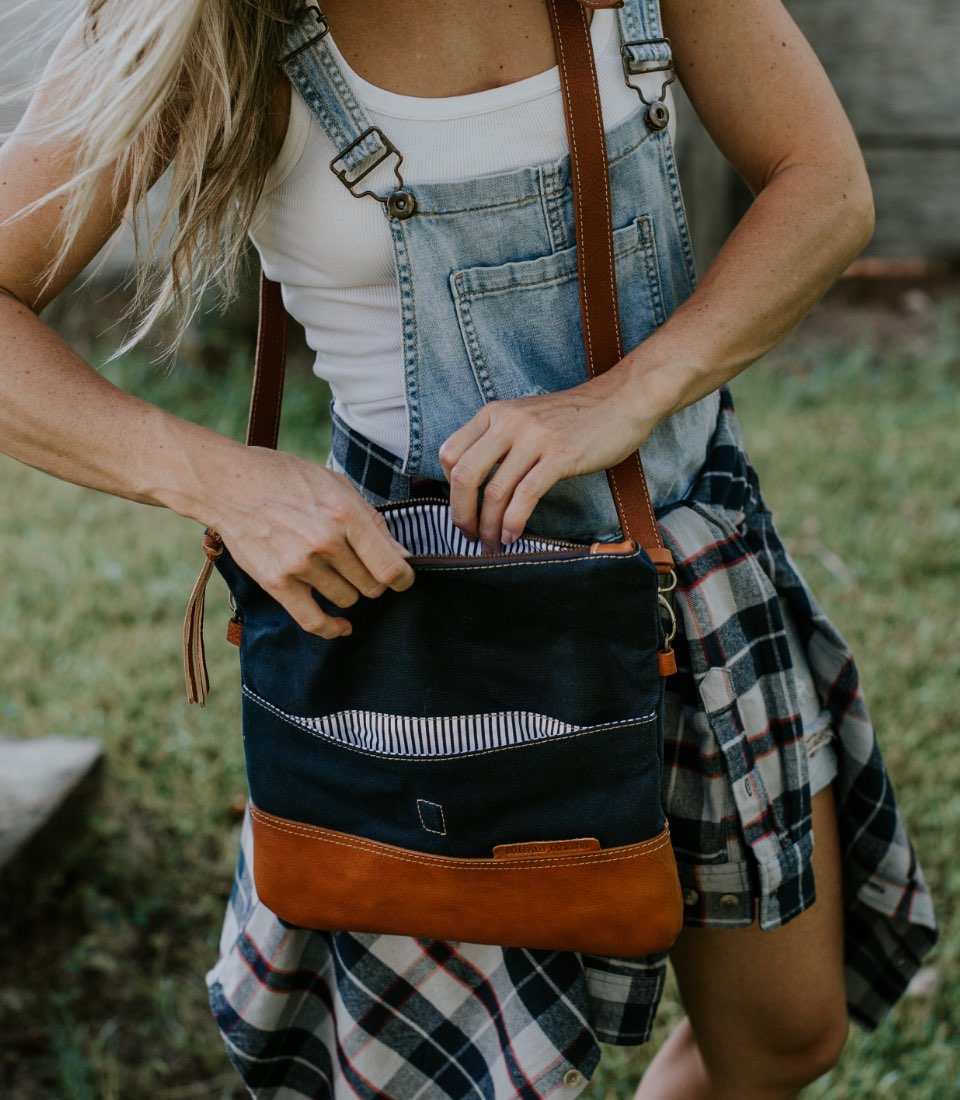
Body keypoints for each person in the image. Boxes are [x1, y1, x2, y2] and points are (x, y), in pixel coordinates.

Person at [0, 1, 937, 1097]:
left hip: (688, 566)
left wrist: (624, 393)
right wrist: (219, 477)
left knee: (788, 1031)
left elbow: (824, 184)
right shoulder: (204, 24)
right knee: (461, 1075)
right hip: (431, 633)